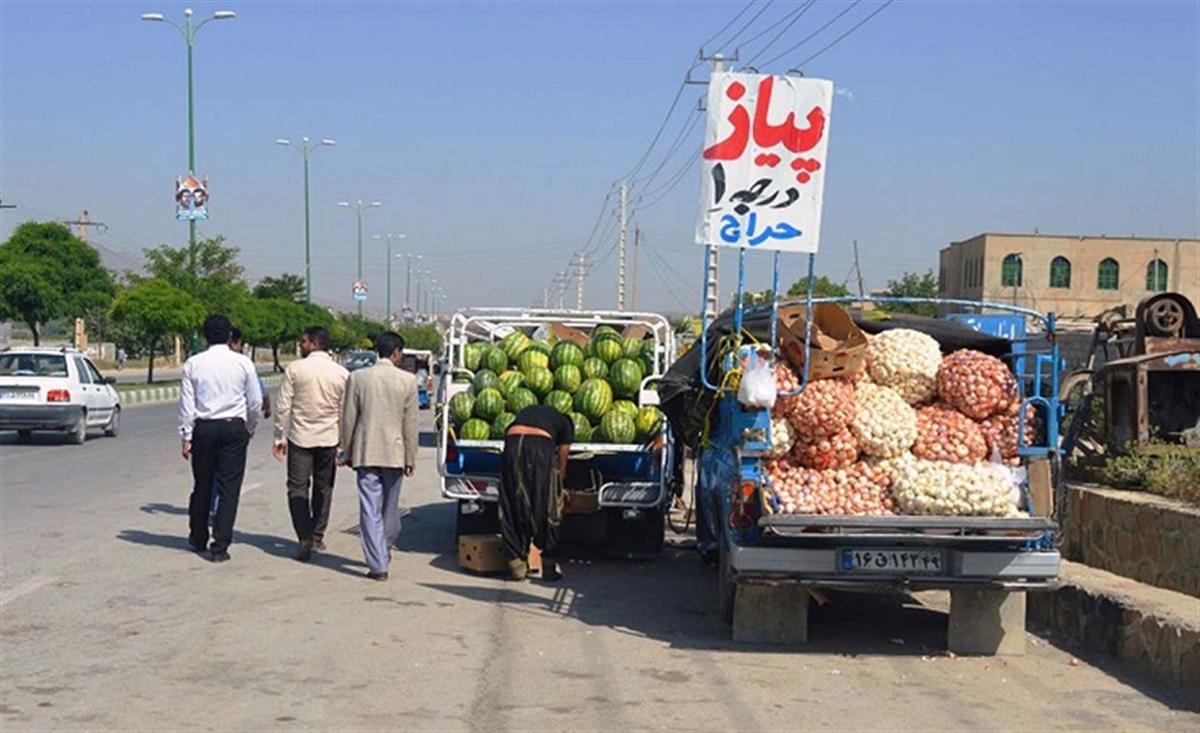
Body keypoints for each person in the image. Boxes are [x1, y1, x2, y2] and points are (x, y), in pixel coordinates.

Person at [179, 315, 263, 563]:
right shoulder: (243, 363)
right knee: (229, 488)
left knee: (202, 485)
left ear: (205, 336)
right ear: (229, 336)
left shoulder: (193, 364)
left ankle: (197, 537)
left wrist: (186, 435)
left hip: (204, 429)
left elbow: (187, 405)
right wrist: (249, 426)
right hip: (233, 428)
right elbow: (255, 401)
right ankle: (220, 546)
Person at [338, 332, 419, 581]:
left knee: (369, 507)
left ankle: (378, 564)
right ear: (396, 353)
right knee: (390, 507)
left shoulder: (359, 378)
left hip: (366, 450)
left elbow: (349, 418)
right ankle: (383, 549)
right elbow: (410, 423)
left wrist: (347, 449)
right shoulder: (408, 381)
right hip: (395, 452)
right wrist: (410, 457)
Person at [272, 326, 349, 562]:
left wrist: (279, 437)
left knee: (297, 487)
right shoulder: (341, 373)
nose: (301, 345)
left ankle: (304, 535)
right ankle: (316, 536)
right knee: (324, 488)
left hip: (300, 439)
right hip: (329, 439)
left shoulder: (295, 369)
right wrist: (344, 445)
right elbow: (345, 412)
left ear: (314, 344)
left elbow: (284, 406)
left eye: (304, 341)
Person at [498, 403, 573, 582]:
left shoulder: (527, 412)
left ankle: (516, 566)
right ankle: (548, 567)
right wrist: (560, 482)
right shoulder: (566, 423)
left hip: (512, 443)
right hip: (539, 447)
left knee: (512, 502)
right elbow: (563, 453)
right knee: (546, 506)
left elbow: (509, 431)